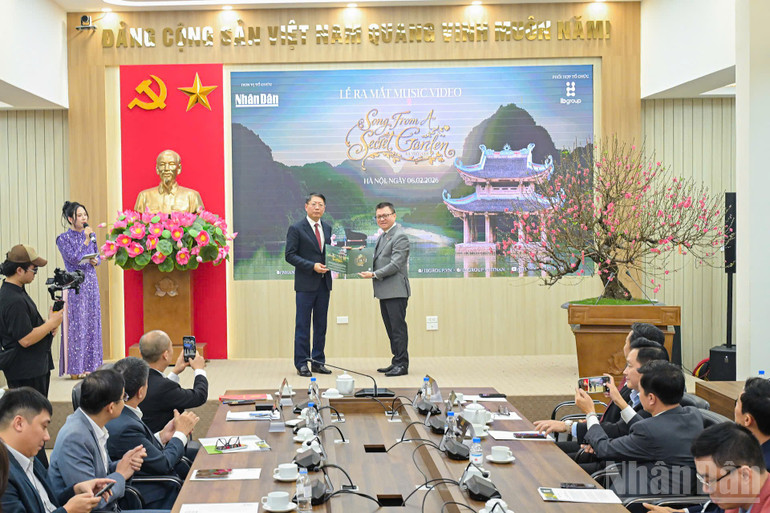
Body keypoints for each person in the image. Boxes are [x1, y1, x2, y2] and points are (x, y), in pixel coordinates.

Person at [577, 361, 703, 496]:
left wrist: (590, 413)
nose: (638, 394)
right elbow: (653, 431)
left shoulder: (650, 431)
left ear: (651, 398)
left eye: (640, 391)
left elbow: (604, 448)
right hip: (662, 488)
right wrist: (620, 402)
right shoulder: (693, 414)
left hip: (644, 500)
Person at [48, 370, 152, 512]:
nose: (125, 401)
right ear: (111, 407)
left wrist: (124, 464)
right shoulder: (74, 438)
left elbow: (101, 472)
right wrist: (121, 474)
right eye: (124, 397)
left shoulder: (92, 424)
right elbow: (93, 501)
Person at [0, 387, 115, 513]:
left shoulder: (29, 457)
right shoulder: (4, 471)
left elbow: (47, 502)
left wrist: (76, 490)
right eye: (43, 426)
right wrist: (68, 511)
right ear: (19, 423)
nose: (47, 437)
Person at [107, 357, 199, 510]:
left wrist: (162, 436)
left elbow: (141, 446)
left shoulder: (124, 413)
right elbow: (164, 464)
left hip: (152, 480)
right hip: (150, 492)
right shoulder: (125, 425)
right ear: (141, 391)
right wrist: (181, 434)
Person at [0, 245, 62, 397]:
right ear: (19, 270)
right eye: (34, 270)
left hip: (30, 367)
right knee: (32, 416)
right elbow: (25, 339)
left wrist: (47, 326)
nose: (35, 274)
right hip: (26, 370)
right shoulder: (13, 300)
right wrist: (51, 324)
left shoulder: (15, 292)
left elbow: (24, 328)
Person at [358, 202, 411, 377]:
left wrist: (373, 275)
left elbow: (395, 264)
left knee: (398, 329)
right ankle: (396, 360)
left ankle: (402, 364)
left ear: (394, 216)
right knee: (391, 328)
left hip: (396, 290)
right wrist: (359, 255)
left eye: (385, 215)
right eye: (379, 216)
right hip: (385, 291)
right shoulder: (384, 236)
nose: (382, 219)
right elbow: (378, 258)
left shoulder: (400, 236)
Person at [285, 193, 333, 377]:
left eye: (321, 204)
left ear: (324, 208)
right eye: (314, 204)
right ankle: (301, 363)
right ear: (306, 206)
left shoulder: (327, 228)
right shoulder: (296, 228)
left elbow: (329, 253)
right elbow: (289, 255)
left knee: (321, 325)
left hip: (324, 284)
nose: (317, 207)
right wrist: (311, 266)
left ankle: (318, 361)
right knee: (303, 325)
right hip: (305, 284)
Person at [56, 201, 102, 379]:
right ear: (70, 219)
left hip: (91, 282)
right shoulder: (63, 239)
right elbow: (74, 259)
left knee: (91, 321)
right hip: (75, 283)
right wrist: (84, 241)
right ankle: (75, 368)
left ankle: (91, 366)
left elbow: (97, 256)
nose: (84, 218)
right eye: (79, 216)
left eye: (85, 215)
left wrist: (95, 261)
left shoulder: (92, 235)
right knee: (77, 323)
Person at [139, 330, 208, 434]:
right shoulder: (165, 387)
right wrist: (199, 370)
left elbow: (159, 388)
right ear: (166, 355)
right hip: (163, 445)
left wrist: (175, 371)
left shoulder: (137, 377)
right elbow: (199, 396)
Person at [134, 149, 204, 214]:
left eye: (171, 164)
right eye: (162, 164)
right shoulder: (144, 196)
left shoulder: (192, 196)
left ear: (179, 168)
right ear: (157, 169)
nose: (166, 168)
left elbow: (200, 223)